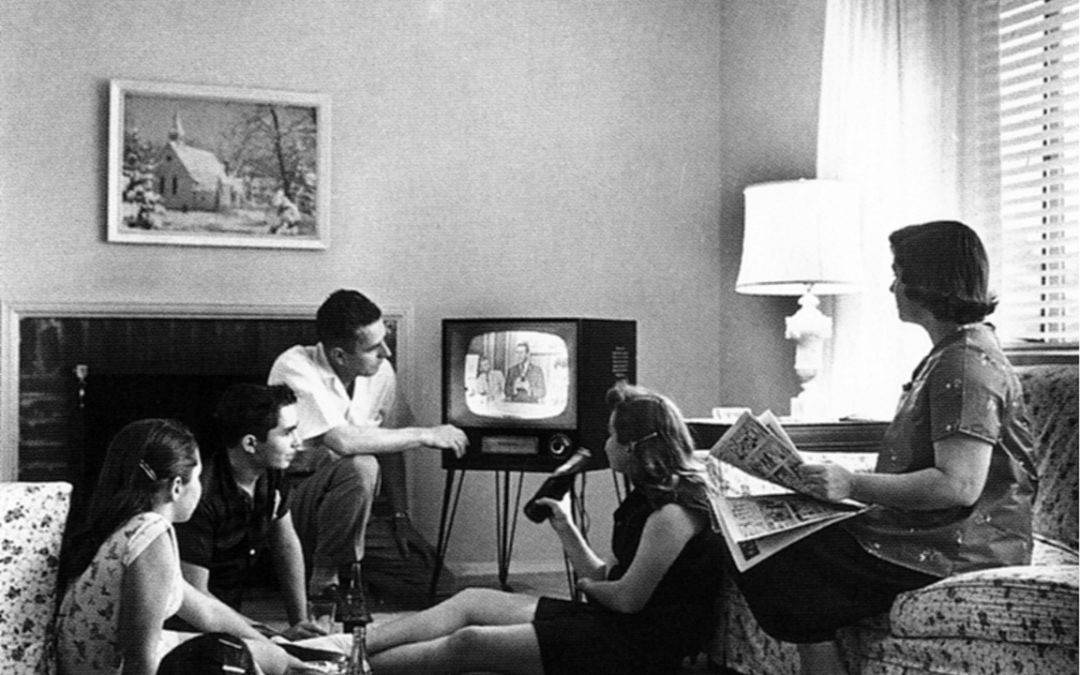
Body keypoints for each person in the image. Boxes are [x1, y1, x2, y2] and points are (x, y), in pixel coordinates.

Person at [733, 220, 1037, 674]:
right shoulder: (951, 352)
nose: (892, 285)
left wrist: (852, 482)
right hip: (927, 531)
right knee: (764, 540)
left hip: (963, 545)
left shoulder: (967, 364)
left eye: (899, 272)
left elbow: (958, 486)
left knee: (774, 552)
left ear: (925, 281)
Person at [356, 382, 726, 674]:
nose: (606, 443)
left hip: (635, 648)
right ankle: (353, 645)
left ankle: (343, 670)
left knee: (469, 643)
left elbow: (627, 600)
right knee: (473, 600)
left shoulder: (672, 514)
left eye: (613, 435)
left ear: (633, 448)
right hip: (611, 621)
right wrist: (565, 526)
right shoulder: (644, 500)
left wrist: (587, 587)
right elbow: (606, 575)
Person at [55, 418, 309, 675]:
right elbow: (138, 657)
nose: (201, 487)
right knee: (267, 660)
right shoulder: (151, 533)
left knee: (272, 655)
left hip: (97, 665)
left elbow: (205, 610)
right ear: (176, 487)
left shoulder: (126, 526)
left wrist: (275, 643)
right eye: (197, 477)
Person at [267, 289, 468, 604]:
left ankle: (345, 569)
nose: (386, 352)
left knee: (439, 586)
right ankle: (324, 576)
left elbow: (391, 444)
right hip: (294, 506)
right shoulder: (293, 367)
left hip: (355, 513)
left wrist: (400, 516)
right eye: (374, 347)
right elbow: (343, 441)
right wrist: (426, 435)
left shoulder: (380, 371)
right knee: (362, 464)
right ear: (339, 355)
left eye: (384, 340)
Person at [174, 383, 323, 640]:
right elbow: (197, 598)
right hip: (191, 628)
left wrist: (301, 623)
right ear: (251, 443)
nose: (298, 443)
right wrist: (271, 637)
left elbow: (286, 545)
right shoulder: (201, 496)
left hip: (235, 619)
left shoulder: (272, 475)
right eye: (288, 433)